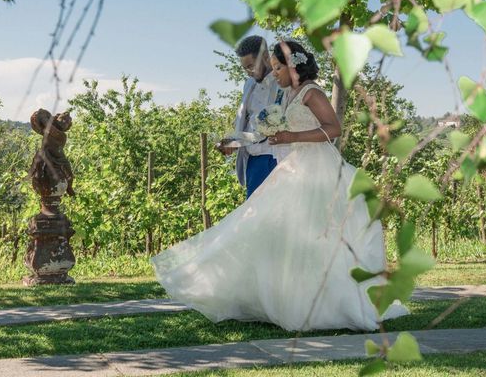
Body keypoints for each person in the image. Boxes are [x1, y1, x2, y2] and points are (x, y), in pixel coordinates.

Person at [152, 41, 408, 332]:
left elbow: (333, 129)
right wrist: (238, 143)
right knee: (280, 233)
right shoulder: (289, 94)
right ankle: (282, 296)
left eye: (277, 68)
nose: (274, 74)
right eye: (272, 68)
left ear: (292, 65)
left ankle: (327, 302)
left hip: (319, 169)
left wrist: (291, 137)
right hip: (293, 167)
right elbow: (264, 131)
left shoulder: (311, 91)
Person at [217, 35, 284, 198]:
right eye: (245, 68)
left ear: (266, 58)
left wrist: (235, 141)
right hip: (251, 160)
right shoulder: (249, 83)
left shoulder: (281, 83)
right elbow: (246, 119)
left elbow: (267, 127)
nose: (248, 72)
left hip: (272, 158)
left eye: (251, 66)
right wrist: (230, 141)